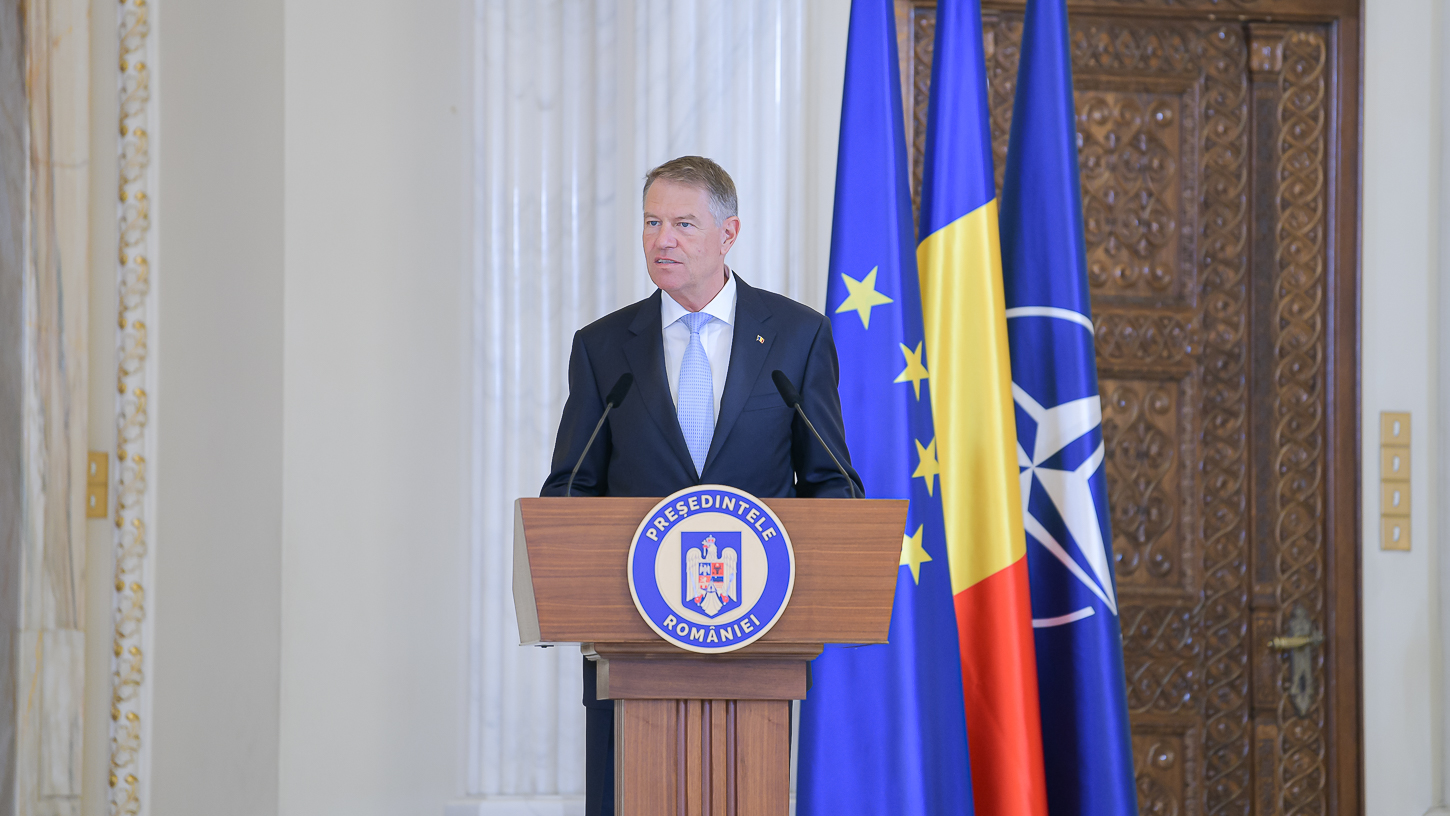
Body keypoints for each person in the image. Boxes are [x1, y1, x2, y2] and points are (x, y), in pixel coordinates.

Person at [539, 155, 862, 816]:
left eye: (684, 223)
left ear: (729, 233)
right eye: (652, 222)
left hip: (757, 641)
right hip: (633, 642)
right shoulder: (603, 347)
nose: (663, 239)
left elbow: (830, 479)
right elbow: (571, 486)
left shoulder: (796, 337)